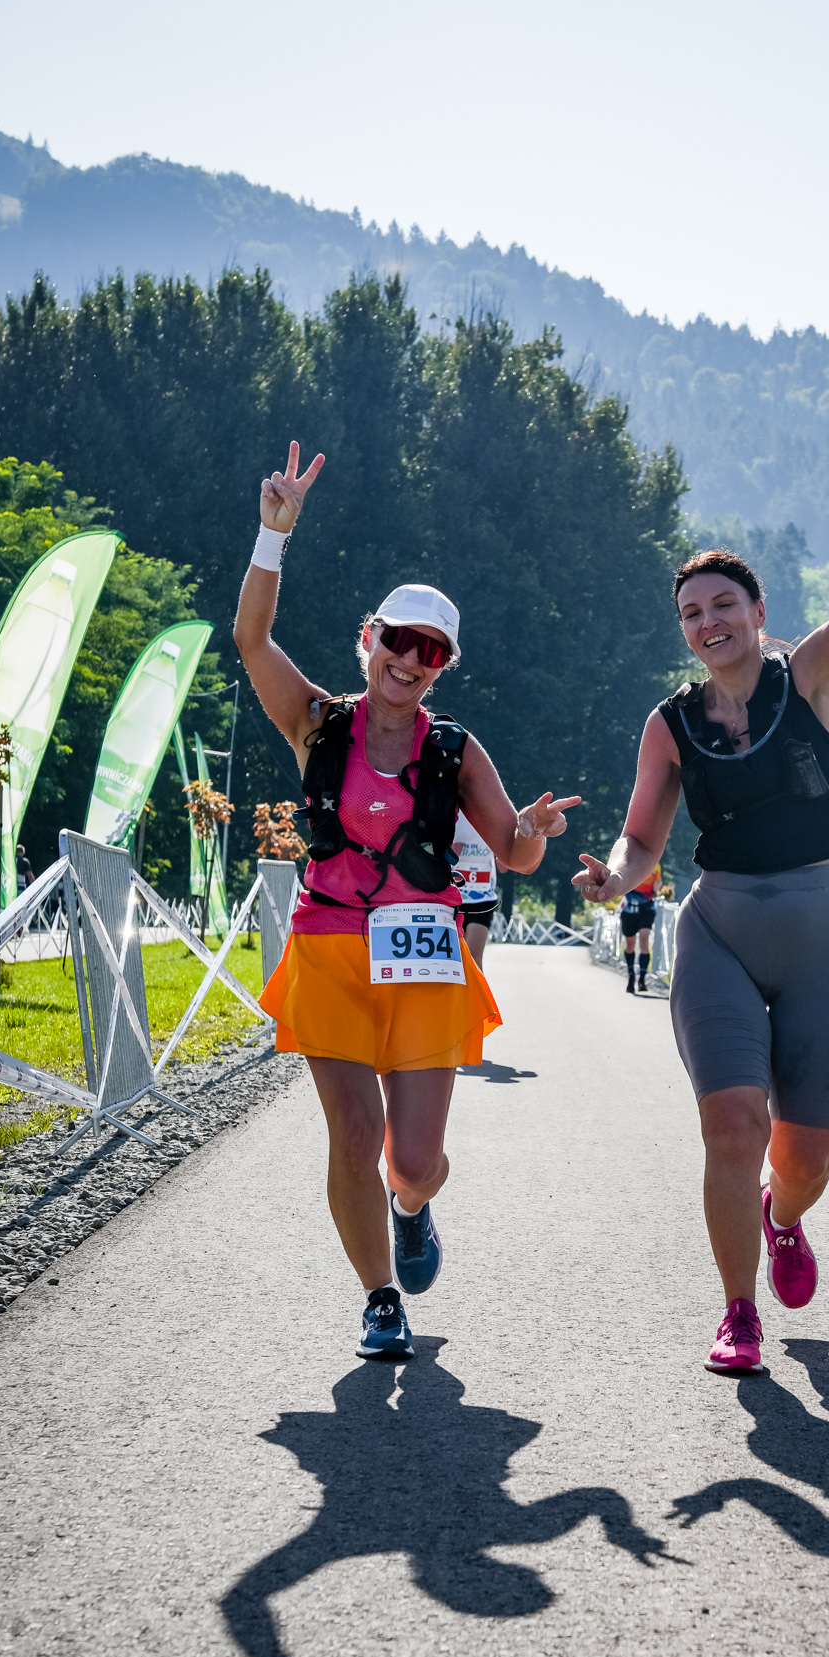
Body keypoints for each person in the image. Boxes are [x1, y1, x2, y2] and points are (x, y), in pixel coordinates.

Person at [574, 403, 829, 1373]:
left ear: (757, 613)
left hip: (821, 937)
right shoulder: (670, 724)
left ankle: (782, 1216)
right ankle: (737, 1312)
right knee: (730, 1123)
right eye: (691, 613)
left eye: (723, 605)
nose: (707, 623)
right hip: (719, 929)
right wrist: (614, 875)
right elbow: (643, 837)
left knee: (805, 1159)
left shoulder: (812, 677)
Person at [235, 441, 578, 1361]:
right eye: (397, 640)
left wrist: (535, 830)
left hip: (425, 957)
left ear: (441, 665)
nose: (408, 659)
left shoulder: (455, 750)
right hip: (329, 948)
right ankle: (380, 1296)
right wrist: (273, 537)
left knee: (414, 1162)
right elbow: (253, 642)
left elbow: (512, 851)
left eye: (429, 651)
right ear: (370, 639)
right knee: (354, 1133)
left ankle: (411, 1208)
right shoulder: (317, 722)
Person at [450, 810, 501, 970]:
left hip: (482, 898)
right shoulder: (448, 810)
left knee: (474, 957)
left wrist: (502, 850)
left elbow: (504, 867)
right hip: (452, 897)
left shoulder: (492, 813)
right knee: (453, 958)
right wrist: (449, 849)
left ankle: (477, 988)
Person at [619, 862, 662, 992]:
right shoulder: (628, 862)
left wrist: (656, 882)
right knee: (630, 944)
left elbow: (657, 887)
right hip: (629, 909)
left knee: (644, 940)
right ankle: (631, 976)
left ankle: (642, 979)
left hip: (646, 908)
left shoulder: (655, 865)